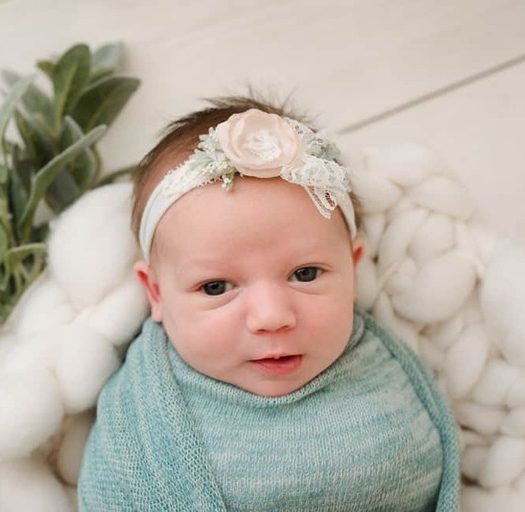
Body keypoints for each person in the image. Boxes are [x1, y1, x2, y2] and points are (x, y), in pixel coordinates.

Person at [77, 97, 461, 511]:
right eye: (216, 287)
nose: (271, 317)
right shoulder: (140, 426)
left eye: (306, 274)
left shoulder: (383, 374)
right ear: (156, 294)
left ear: (352, 269)